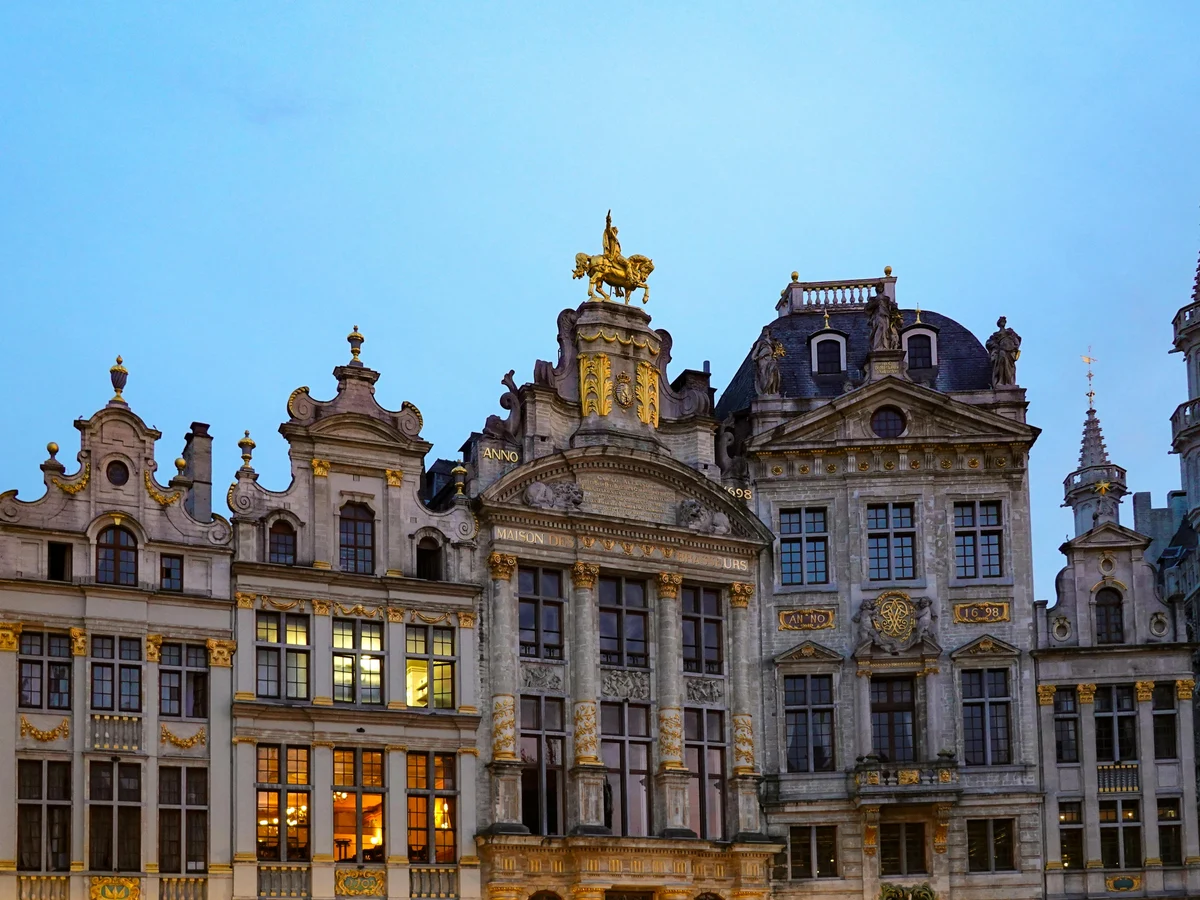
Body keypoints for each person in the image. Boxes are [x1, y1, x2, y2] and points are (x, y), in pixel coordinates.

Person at [986, 316, 1022, 387]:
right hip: (1002, 351)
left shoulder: (1010, 332)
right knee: (1002, 364)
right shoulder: (996, 334)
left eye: (1004, 321)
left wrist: (1015, 347)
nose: (1003, 323)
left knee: (1009, 367)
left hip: (1009, 352)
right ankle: (1001, 381)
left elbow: (1017, 340)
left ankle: (1008, 382)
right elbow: (989, 343)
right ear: (999, 323)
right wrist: (995, 346)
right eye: (1002, 321)